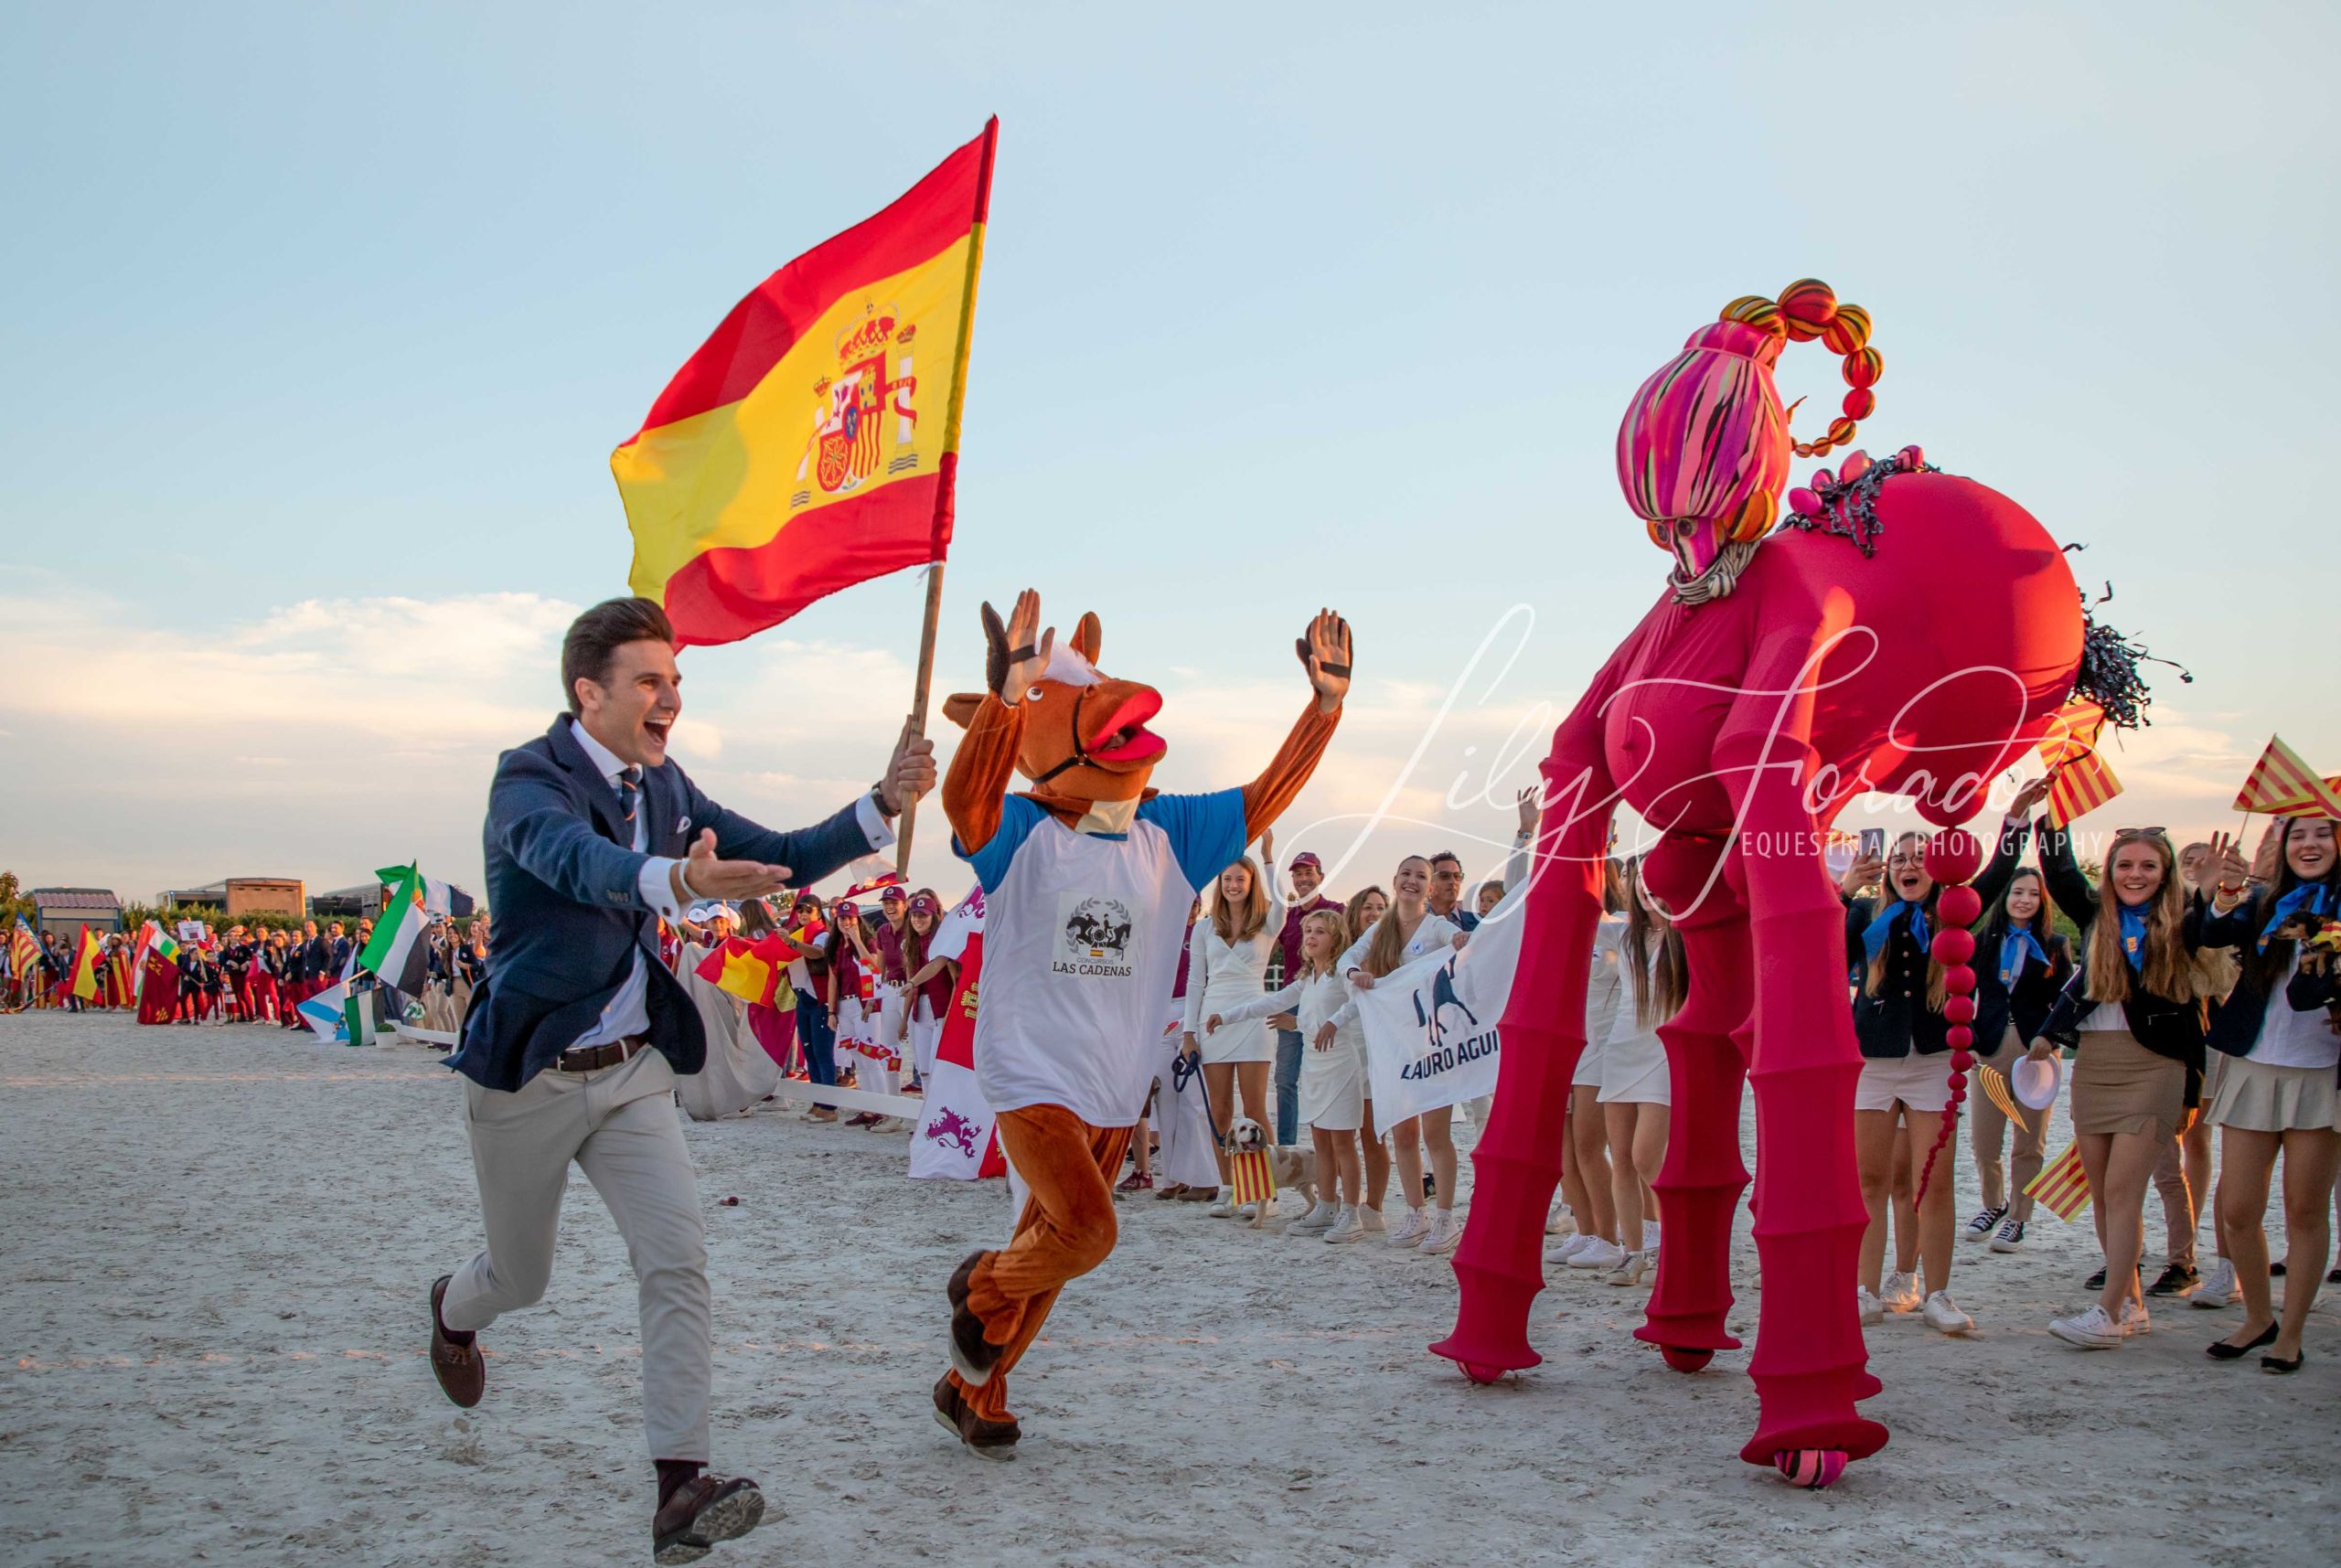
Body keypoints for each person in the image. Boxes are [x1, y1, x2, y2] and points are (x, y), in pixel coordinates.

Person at [425, 596, 934, 1560]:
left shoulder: (665, 784)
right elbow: (574, 863)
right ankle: (452, 1307)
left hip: (631, 1075)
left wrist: (883, 801)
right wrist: (678, 882)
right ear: (590, 692)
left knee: (677, 1261)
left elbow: (777, 854)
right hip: (527, 1074)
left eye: (676, 682)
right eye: (651, 681)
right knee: (521, 1277)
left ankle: (680, 1486)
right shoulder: (526, 779)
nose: (671, 700)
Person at [931, 591, 1348, 1456]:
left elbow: (1269, 792)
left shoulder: (1167, 828)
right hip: (1032, 1074)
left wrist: (1326, 707)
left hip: (1117, 1084)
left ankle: (975, 1388)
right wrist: (1008, 704)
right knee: (1086, 1232)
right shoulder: (1020, 828)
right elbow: (963, 800)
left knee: (1051, 1253)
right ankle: (977, 1292)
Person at [2037, 826, 2217, 1349]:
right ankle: (2132, 1301)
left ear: (2165, 877)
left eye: (2148, 867)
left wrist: (2191, 1092)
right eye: (2125, 865)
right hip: (2093, 1065)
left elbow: (2191, 1016)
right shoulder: (2098, 918)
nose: (2135, 875)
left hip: (2155, 1066)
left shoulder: (2181, 925)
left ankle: (2109, 1312)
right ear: (2110, 872)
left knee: (2123, 1191)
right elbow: (2062, 873)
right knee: (2101, 1193)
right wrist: (2051, 820)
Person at [1840, 821, 2016, 1336]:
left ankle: (1935, 1292)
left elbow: (1999, 872)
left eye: (1921, 857)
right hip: (1872, 1061)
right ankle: (1864, 1290)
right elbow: (1824, 946)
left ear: (1938, 869)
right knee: (1869, 1181)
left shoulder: (1953, 913)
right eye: (1900, 858)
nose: (1910, 865)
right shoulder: (1866, 915)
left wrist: (2017, 824)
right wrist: (1847, 887)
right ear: (1887, 870)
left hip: (1936, 1061)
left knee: (1931, 1184)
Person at [2198, 817, 2338, 1372]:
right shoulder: (2262, 901)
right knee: (2238, 1209)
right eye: (2298, 834)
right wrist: (2220, 891)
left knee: (2306, 1210)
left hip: (2320, 1073)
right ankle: (2258, 1317)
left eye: (2323, 833)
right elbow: (2209, 935)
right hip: (2254, 1064)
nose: (2309, 844)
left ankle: (2293, 1332)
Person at [1340, 854, 1468, 1253]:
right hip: (1396, 1044)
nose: (1412, 881)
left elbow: (1456, 943)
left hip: (1433, 1042)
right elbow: (1347, 958)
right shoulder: (1381, 929)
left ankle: (1445, 1217)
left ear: (1430, 888)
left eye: (1421, 876)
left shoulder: (1435, 926)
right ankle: (1416, 1214)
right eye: (1406, 874)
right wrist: (1354, 975)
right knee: (1403, 1131)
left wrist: (1461, 942)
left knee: (1435, 1133)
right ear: (1394, 881)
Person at [1214, 907, 1365, 1237]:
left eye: (1320, 931)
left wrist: (1322, 1022)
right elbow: (1268, 1003)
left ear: (1336, 938)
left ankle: (1351, 1213)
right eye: (1308, 930)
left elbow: (1357, 1003)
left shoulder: (1341, 973)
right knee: (1321, 1140)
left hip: (1340, 1064)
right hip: (1314, 1067)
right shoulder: (1306, 978)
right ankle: (1325, 1206)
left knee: (1342, 1143)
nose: (1311, 936)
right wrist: (1225, 1016)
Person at [1965, 851, 2072, 1254]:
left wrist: (2052, 1038)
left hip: (2036, 1054)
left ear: (2042, 901)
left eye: (2033, 894)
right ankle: (1994, 1205)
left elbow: (2066, 999)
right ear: (2004, 896)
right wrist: (1971, 1039)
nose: (2024, 900)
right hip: (1990, 1048)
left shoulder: (2056, 945)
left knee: (2028, 1142)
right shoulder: (1981, 943)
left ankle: (2018, 1218)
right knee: (1984, 1142)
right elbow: (1961, 990)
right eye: (2017, 892)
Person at [1184, 839, 1287, 1213]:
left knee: (1256, 1109)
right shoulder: (1205, 928)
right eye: (1227, 879)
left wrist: (1269, 858)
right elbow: (1196, 982)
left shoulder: (1268, 922)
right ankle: (1230, 1188)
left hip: (1253, 1017)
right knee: (1221, 1112)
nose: (1233, 885)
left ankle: (1266, 1192)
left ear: (1251, 882)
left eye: (1240, 879)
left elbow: (1282, 901)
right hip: (1212, 1020)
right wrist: (1188, 1034)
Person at [1597, 856, 1683, 1288]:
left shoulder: (1689, 937)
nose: (1651, 892)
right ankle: (1633, 1253)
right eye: (1643, 883)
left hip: (1663, 1055)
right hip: (1620, 1051)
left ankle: (1674, 1246)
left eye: (1659, 881)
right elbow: (1565, 906)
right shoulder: (1621, 934)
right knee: (1622, 1160)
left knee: (1648, 1156)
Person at [1553, 859, 1625, 1272]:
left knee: (1588, 1145)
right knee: (1562, 1148)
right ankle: (1585, 1230)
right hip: (1566, 1046)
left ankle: (1609, 1238)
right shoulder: (1560, 929)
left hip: (1602, 1047)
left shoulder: (1619, 925)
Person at [1269, 850, 1344, 1148]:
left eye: (1308, 873)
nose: (1302, 879)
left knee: (1326, 1074)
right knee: (1285, 1079)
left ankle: (1333, 1142)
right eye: (1297, 874)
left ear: (1320, 877)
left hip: (1325, 998)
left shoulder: (1335, 911)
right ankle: (1288, 1146)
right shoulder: (1288, 917)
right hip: (1291, 998)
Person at [1342, 887, 1393, 1230]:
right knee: (1341, 1133)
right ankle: (1342, 1203)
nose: (1374, 913)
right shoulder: (1343, 953)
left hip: (1379, 1046)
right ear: (1356, 911)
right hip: (1345, 1046)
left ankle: (1374, 1206)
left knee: (1374, 1133)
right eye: (1368, 907)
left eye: (1381, 907)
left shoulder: (1393, 952)